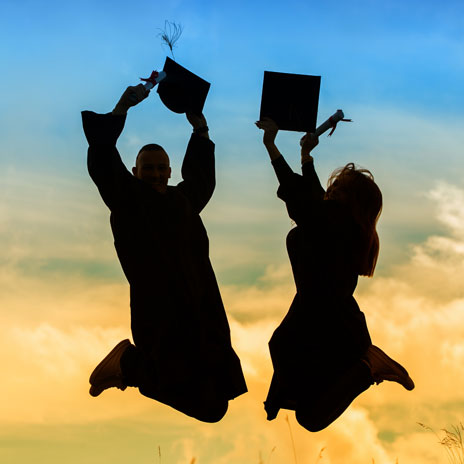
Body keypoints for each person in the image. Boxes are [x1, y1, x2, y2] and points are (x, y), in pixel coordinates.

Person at [82, 84, 247, 423]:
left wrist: (200, 128)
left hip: (204, 310)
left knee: (216, 404)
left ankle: (130, 367)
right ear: (134, 172)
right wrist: (121, 108)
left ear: (171, 172)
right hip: (161, 312)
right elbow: (102, 160)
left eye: (161, 168)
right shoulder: (128, 200)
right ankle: (128, 364)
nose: (156, 174)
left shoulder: (183, 201)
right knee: (173, 375)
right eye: (149, 168)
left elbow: (202, 179)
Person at [255, 117, 414, 432]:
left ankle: (368, 367)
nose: (331, 191)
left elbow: (307, 204)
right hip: (325, 323)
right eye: (333, 186)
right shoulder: (333, 224)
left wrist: (288, 154)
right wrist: (295, 155)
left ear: (353, 205)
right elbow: (309, 201)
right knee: (308, 416)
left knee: (307, 410)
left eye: (339, 190)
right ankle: (367, 367)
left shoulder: (339, 224)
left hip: (329, 326)